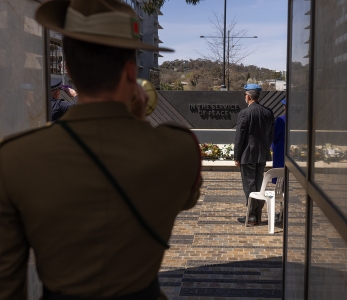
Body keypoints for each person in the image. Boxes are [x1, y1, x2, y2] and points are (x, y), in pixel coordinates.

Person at [0, 1, 202, 299]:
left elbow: (6, 282)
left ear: (68, 69)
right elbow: (187, 198)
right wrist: (135, 118)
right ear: (131, 72)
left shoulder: (14, 159)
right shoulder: (178, 149)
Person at [234, 84, 275, 226]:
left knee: (249, 186)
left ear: (249, 96)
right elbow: (271, 134)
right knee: (258, 184)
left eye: (245, 94)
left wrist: (237, 156)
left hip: (248, 155)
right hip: (262, 154)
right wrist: (265, 148)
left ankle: (251, 216)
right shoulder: (268, 112)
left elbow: (240, 137)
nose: (244, 97)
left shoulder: (244, 113)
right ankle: (257, 216)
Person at [271, 98, 286, 184]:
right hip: (288, 149)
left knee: (279, 177)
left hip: (280, 149)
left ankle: (280, 194)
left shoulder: (280, 120)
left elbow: (274, 135)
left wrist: (272, 146)